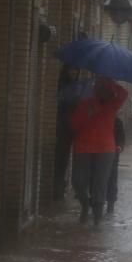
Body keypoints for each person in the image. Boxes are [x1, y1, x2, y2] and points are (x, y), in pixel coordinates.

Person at [70, 77, 128, 226]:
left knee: (100, 183)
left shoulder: (112, 105)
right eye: (101, 89)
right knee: (79, 181)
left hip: (105, 149)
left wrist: (111, 82)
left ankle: (97, 216)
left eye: (106, 90)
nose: (104, 92)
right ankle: (84, 204)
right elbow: (74, 125)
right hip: (83, 148)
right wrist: (87, 114)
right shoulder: (85, 103)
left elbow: (124, 94)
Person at [54, 64, 91, 201]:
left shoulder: (79, 87)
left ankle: (78, 188)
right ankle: (57, 189)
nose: (74, 72)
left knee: (79, 159)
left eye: (76, 69)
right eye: (72, 69)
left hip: (76, 128)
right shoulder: (61, 85)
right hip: (63, 128)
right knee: (60, 159)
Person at [106, 116, 126, 215]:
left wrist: (119, 146)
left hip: (113, 154)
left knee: (112, 178)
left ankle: (110, 203)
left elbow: (121, 138)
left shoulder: (117, 121)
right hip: (100, 153)